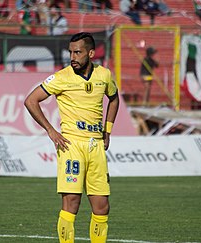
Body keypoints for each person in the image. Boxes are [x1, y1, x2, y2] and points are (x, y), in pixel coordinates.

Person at [24, 32, 119, 243]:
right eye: (70, 52)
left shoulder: (104, 75)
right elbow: (31, 101)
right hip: (71, 145)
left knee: (102, 206)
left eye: (78, 52)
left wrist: (108, 129)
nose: (72, 57)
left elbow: (113, 99)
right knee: (71, 203)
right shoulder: (61, 78)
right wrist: (50, 130)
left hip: (96, 147)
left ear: (91, 53)